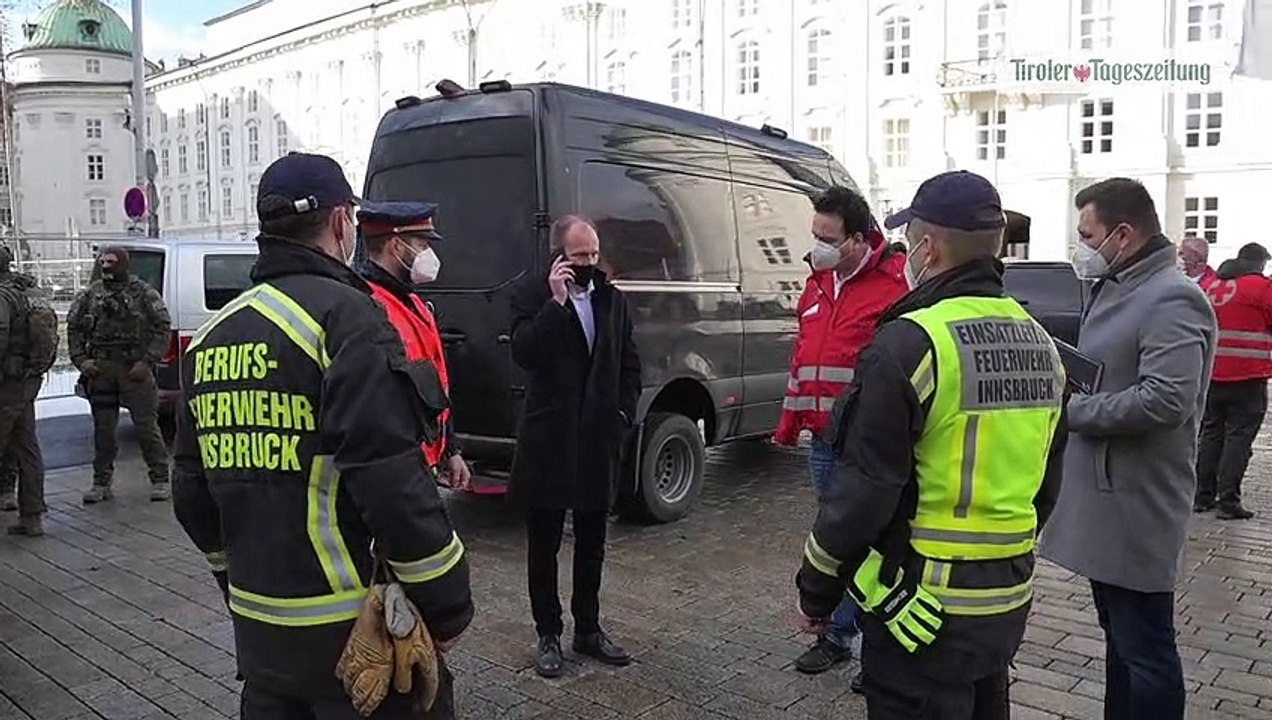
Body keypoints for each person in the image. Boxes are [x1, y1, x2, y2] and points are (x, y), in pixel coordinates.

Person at [171, 152, 473, 719]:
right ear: (341, 222)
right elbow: (388, 479)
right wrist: (447, 603)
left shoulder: (212, 336)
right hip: (352, 640)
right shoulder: (346, 318)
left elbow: (191, 490)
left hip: (262, 645)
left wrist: (232, 582)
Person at [794, 170, 1067, 719]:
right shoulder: (1042, 343)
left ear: (929, 246)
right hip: (1005, 602)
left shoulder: (912, 342)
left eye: (911, 238)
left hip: (919, 610)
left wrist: (816, 587)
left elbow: (864, 489)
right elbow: (1046, 483)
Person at [1040, 178, 1216, 720]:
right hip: (1107, 493)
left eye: (1087, 234)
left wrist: (1072, 413)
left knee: (1145, 646)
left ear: (1123, 233)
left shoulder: (1172, 296)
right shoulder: (1120, 285)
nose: (1081, 246)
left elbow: (1168, 399)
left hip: (1138, 498)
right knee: (1119, 638)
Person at [775, 185, 908, 677]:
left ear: (857, 239)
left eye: (827, 237)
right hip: (823, 440)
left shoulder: (893, 288)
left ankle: (873, 648)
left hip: (866, 441)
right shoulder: (815, 284)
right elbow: (804, 359)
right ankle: (836, 634)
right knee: (832, 540)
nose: (817, 246)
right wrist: (791, 424)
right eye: (814, 234)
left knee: (868, 542)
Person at [508, 215, 641, 679]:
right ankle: (548, 633)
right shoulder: (531, 293)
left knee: (592, 543)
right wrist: (556, 304)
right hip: (549, 442)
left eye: (593, 254)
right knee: (543, 545)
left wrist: (623, 414)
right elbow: (524, 353)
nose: (588, 263)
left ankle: (588, 628)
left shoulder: (612, 300)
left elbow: (629, 363)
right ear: (559, 256)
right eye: (579, 256)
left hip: (597, 441)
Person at [355, 201, 471, 490]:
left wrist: (450, 449)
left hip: (423, 460)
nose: (428, 254)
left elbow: (435, 384)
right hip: (396, 467)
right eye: (421, 244)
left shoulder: (415, 302)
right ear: (396, 246)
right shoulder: (367, 305)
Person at [67, 246, 172, 503]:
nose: (106, 266)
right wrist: (82, 361)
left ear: (124, 264)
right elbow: (74, 329)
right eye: (102, 261)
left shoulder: (143, 293)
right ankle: (101, 482)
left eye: (111, 261)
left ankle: (160, 479)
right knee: (103, 430)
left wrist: (147, 362)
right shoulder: (91, 295)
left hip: (133, 370)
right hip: (101, 371)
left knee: (147, 427)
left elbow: (162, 326)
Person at [1195, 241, 1272, 520]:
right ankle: (1228, 500)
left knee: (1210, 434)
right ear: (1259, 263)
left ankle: (1202, 496)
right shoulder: (1261, 288)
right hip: (1247, 376)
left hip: (1211, 375)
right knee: (1238, 438)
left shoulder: (1212, 285)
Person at [0, 247, 47, 536]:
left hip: (6, 383)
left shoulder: (3, 296)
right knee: (27, 447)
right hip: (26, 380)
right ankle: (32, 517)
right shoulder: (27, 291)